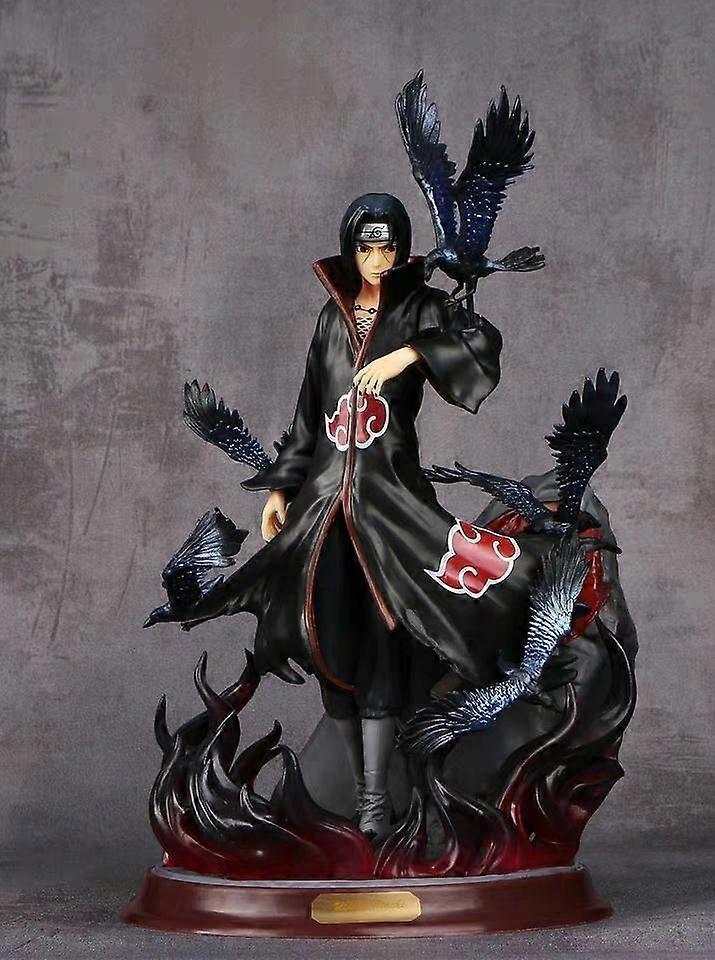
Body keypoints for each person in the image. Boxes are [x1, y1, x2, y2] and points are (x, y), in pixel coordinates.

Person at [179, 192, 549, 842]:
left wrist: (410, 354)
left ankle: (378, 802)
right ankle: (357, 797)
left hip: (390, 507)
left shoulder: (421, 307)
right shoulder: (331, 319)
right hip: (325, 511)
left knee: (385, 641)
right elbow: (307, 413)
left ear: (402, 250)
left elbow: (478, 339)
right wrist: (281, 489)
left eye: (387, 246)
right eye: (365, 246)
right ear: (350, 248)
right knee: (330, 643)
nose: (376, 258)